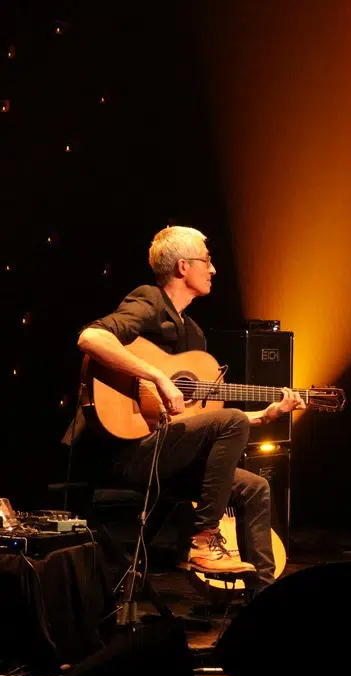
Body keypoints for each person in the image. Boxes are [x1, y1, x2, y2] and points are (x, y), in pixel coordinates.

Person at [62, 225, 305, 599]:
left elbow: (192, 420)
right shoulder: (149, 301)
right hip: (118, 451)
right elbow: (91, 338)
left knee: (255, 487)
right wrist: (158, 376)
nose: (214, 269)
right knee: (231, 420)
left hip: (162, 453)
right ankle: (203, 539)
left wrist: (264, 416)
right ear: (182, 266)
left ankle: (263, 600)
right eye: (207, 261)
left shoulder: (193, 335)